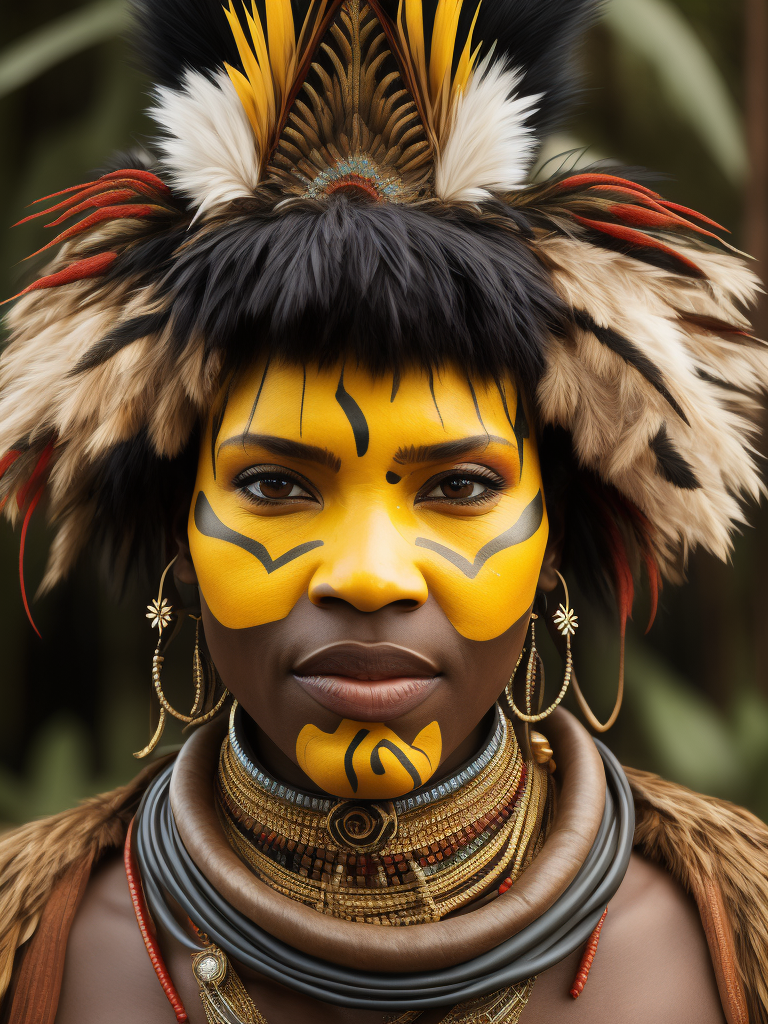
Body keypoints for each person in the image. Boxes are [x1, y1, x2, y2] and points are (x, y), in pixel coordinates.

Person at [1, 1, 767, 1021]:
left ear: (554, 538)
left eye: (458, 486)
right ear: (181, 536)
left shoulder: (721, 934)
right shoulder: (39, 944)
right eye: (275, 484)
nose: (367, 572)